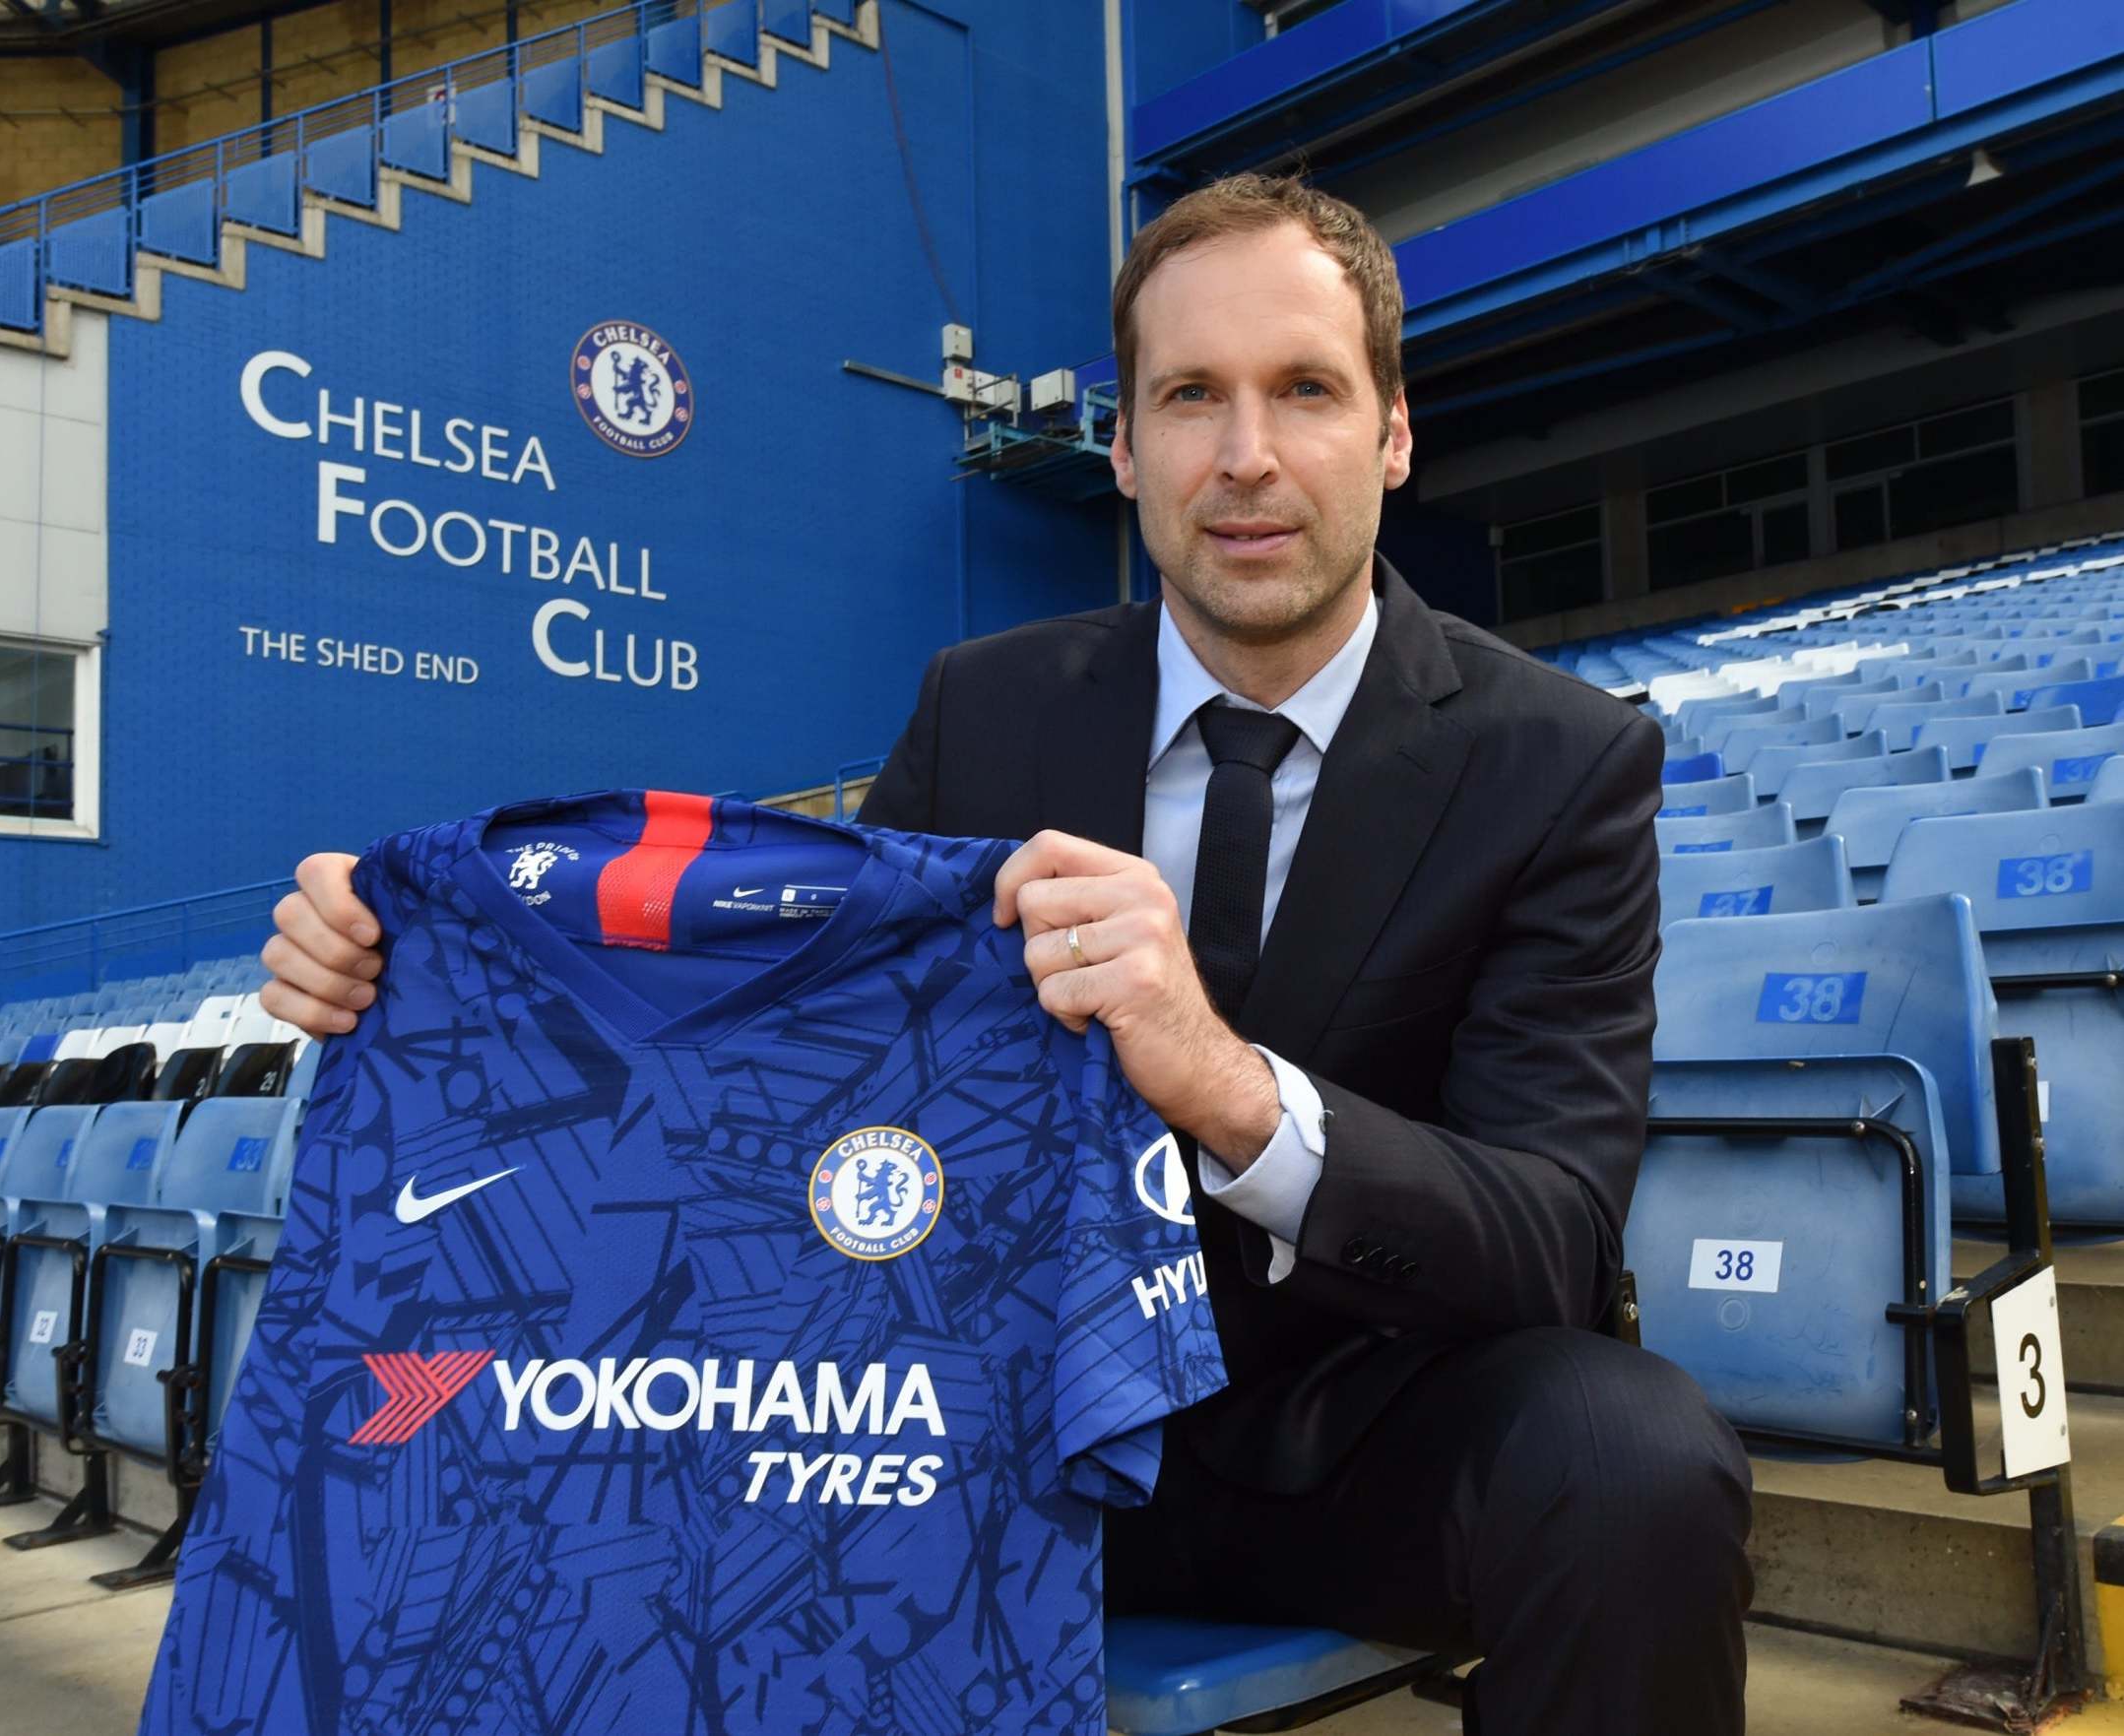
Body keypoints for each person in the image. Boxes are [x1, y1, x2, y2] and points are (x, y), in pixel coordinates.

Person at [259, 173, 1752, 1734]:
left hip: (1368, 1431)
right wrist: (407, 968)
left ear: (1390, 432)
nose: (1244, 457)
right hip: (986, 1424)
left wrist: (1235, 1094)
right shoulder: (985, 710)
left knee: (1630, 1459)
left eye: (1303, 390)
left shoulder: (1560, 761)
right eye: (1188, 398)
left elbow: (1549, 1236)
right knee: (581, 1430)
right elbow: (763, 1065)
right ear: (1121, 447)